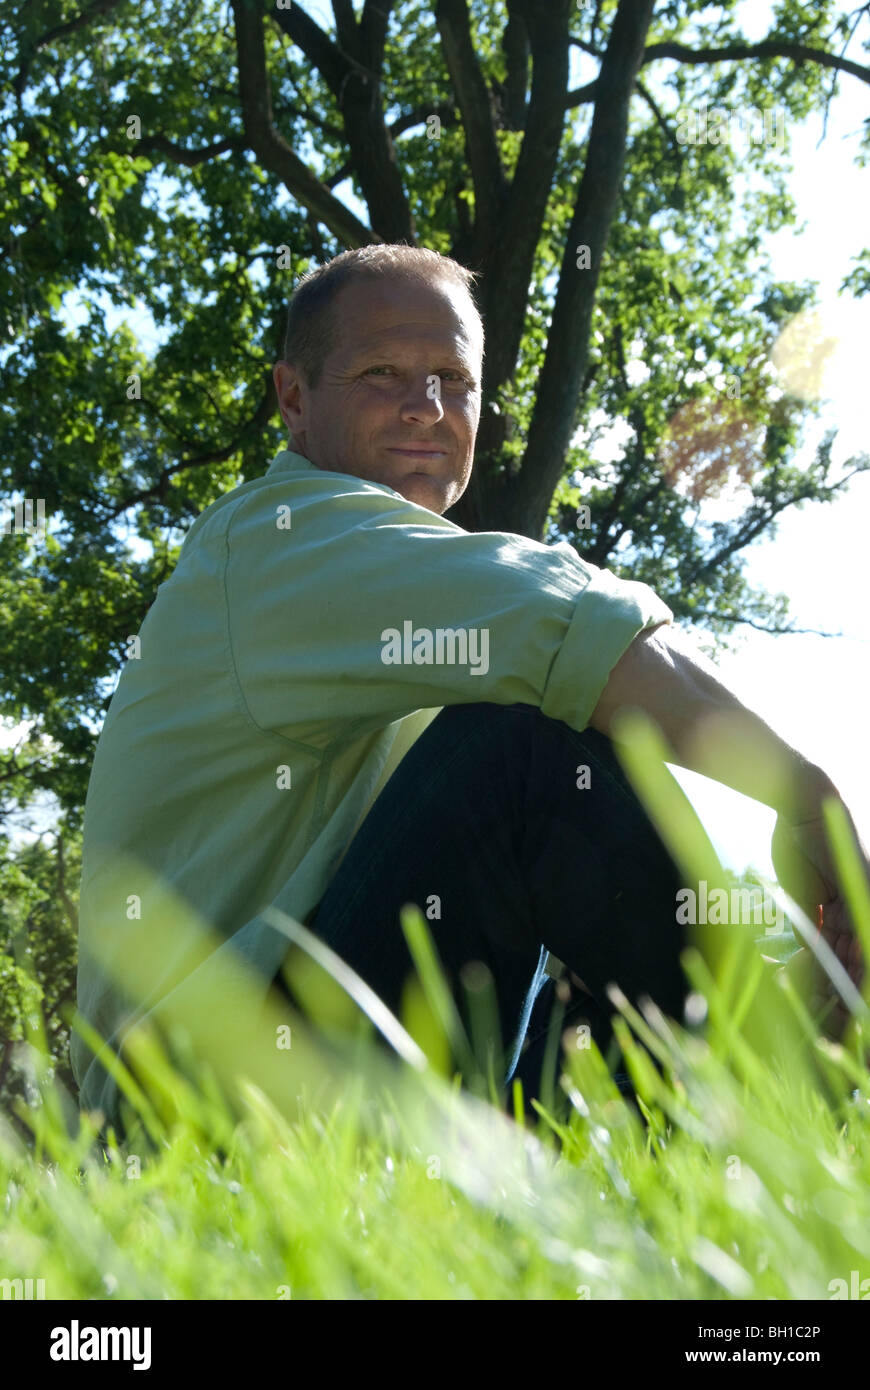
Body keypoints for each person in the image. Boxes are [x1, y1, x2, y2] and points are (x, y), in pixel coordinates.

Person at [71, 244, 866, 1131]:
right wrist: (807, 795)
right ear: (293, 399)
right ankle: (793, 1094)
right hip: (193, 1105)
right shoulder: (275, 542)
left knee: (549, 758)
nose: (429, 408)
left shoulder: (394, 602)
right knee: (520, 750)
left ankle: (725, 1122)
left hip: (313, 1052)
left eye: (457, 379)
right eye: (383, 372)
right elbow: (573, 627)